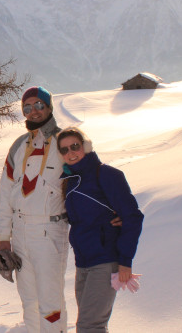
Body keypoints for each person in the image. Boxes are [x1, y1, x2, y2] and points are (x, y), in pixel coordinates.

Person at [0, 86, 69, 332]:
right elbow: (5, 194)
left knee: (51, 303)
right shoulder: (18, 146)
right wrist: (4, 239)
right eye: (27, 108)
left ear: (49, 106)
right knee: (29, 302)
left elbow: (88, 179)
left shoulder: (65, 141)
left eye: (39, 105)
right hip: (20, 234)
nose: (34, 112)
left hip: (50, 230)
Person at [57, 127, 143, 333]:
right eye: (65, 150)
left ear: (86, 146)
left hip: (105, 261)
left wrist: (125, 262)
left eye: (75, 146)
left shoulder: (106, 174)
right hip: (83, 263)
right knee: (93, 325)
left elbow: (133, 217)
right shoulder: (70, 181)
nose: (71, 153)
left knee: (89, 326)